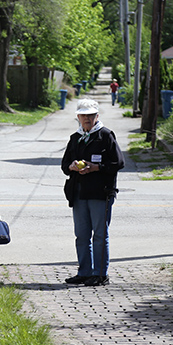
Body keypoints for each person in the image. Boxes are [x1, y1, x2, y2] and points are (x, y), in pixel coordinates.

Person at [61, 99, 125, 286]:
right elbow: (64, 165)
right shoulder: (75, 138)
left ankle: (100, 274)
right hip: (79, 193)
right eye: (83, 115)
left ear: (97, 116)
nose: (87, 118)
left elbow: (119, 163)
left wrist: (97, 167)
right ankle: (84, 272)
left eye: (90, 115)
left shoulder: (105, 136)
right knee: (81, 235)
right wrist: (72, 167)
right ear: (78, 117)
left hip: (100, 192)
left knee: (99, 234)